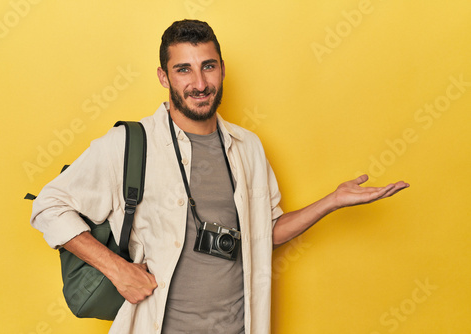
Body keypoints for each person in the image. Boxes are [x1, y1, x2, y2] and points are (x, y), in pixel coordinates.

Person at [30, 19, 409, 334]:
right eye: (184, 69)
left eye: (208, 66)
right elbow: (48, 206)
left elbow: (266, 232)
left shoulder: (249, 148)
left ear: (222, 69)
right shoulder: (130, 143)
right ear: (164, 77)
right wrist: (117, 269)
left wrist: (332, 201)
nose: (199, 83)